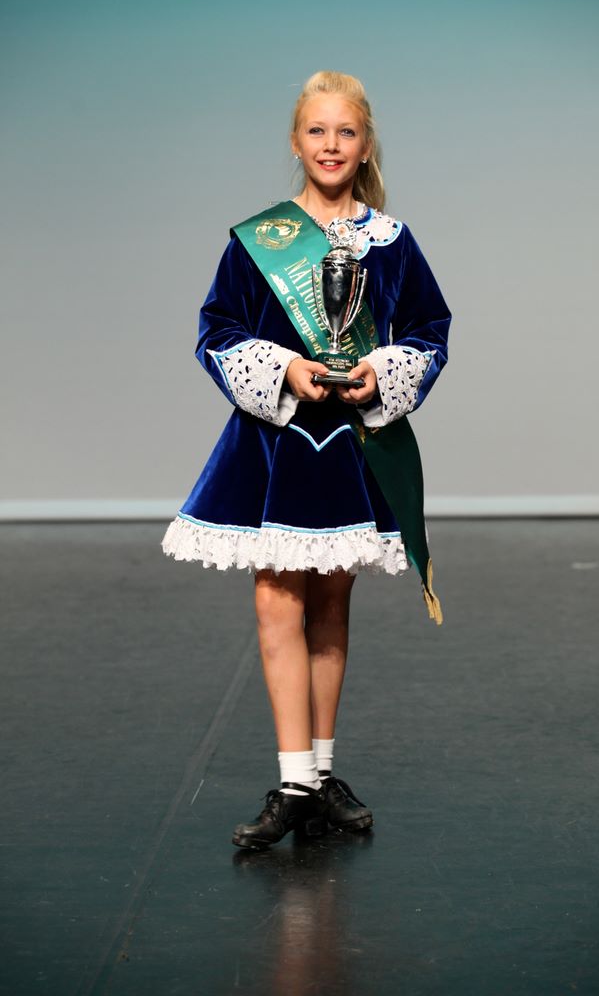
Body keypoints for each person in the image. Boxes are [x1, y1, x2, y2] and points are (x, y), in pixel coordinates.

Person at [162, 70, 451, 850]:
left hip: (349, 445)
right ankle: (293, 782)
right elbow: (217, 330)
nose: (330, 145)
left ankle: (320, 777)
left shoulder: (391, 242)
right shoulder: (261, 240)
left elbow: (428, 331)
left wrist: (380, 371)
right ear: (296, 142)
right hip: (273, 444)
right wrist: (285, 368)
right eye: (317, 131)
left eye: (345, 132)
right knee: (274, 603)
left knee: (329, 607)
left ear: (365, 145)